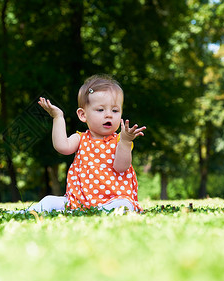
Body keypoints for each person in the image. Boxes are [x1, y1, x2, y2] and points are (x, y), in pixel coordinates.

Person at [24, 74, 146, 214]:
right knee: (49, 201)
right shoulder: (81, 139)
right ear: (83, 115)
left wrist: (125, 141)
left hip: (114, 199)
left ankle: (102, 211)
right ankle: (28, 213)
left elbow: (121, 167)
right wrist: (58, 118)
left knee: (124, 205)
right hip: (78, 200)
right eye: (101, 110)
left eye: (115, 110)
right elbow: (62, 147)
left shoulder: (120, 141)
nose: (109, 115)